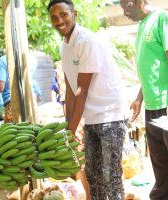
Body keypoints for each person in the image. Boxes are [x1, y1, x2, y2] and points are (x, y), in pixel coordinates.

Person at [48, 0, 126, 199]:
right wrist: (68, 128)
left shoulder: (86, 41)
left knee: (111, 177)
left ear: (74, 14)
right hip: (91, 119)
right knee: (93, 176)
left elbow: (81, 91)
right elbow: (70, 92)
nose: (59, 21)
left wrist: (70, 131)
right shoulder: (64, 47)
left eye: (64, 14)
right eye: (54, 17)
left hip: (110, 116)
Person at [120, 0, 168, 199]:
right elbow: (149, 67)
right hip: (152, 105)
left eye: (126, 6)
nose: (125, 12)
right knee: (159, 162)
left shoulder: (161, 18)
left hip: (166, 103)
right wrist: (139, 98)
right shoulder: (142, 26)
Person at [0, 54, 12, 123]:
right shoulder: (29, 58)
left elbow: (0, 87)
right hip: (30, 101)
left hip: (11, 103)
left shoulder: (2, 60)